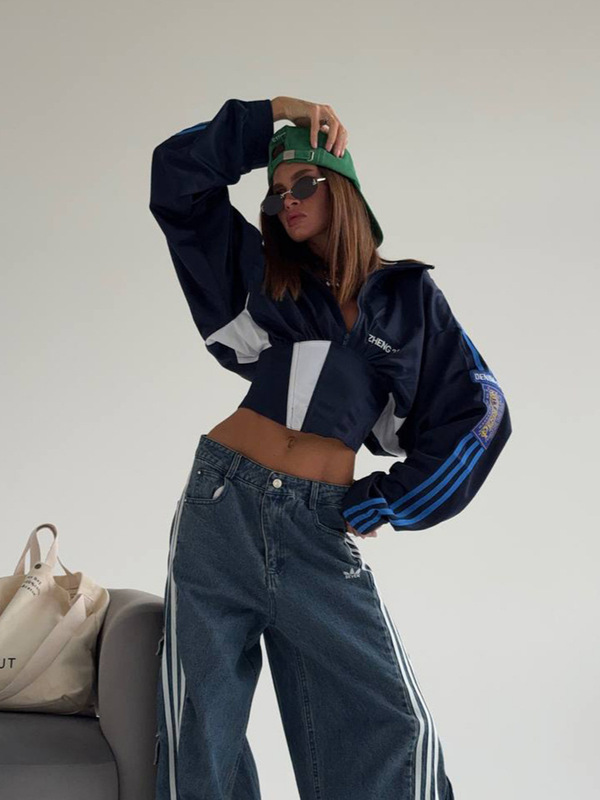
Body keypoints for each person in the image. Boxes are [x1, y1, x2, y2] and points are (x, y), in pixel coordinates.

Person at [149, 95, 512, 800]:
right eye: (276, 192)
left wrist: (388, 500)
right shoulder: (265, 276)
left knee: (395, 727)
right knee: (203, 735)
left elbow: (483, 411)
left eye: (304, 183)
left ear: (342, 188)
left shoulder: (409, 300)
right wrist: (273, 114)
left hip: (318, 526)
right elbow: (175, 177)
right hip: (221, 505)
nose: (286, 200)